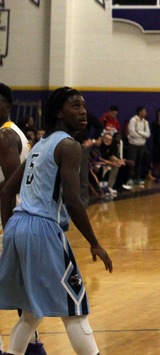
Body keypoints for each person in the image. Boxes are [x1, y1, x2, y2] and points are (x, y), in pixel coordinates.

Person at [0, 87, 113, 355]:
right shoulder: (68, 145)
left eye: (84, 105)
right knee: (75, 308)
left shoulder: (40, 144)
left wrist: (10, 232)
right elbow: (73, 201)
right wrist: (94, 243)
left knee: (30, 311)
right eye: (75, 106)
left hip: (18, 225)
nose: (83, 111)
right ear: (59, 112)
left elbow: (6, 192)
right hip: (41, 228)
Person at [0, 84, 47, 355]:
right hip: (20, 217)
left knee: (20, 291)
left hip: (7, 219)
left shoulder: (6, 135)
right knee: (20, 291)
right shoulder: (14, 131)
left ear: (8, 105)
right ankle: (32, 346)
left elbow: (9, 185)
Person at [127, 106, 150, 186]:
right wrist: (142, 135)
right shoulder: (133, 120)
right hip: (133, 144)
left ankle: (137, 177)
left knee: (139, 162)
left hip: (142, 145)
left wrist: (139, 132)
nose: (146, 113)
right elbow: (132, 133)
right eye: (144, 111)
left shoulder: (145, 122)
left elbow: (148, 134)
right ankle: (130, 178)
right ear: (140, 112)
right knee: (132, 161)